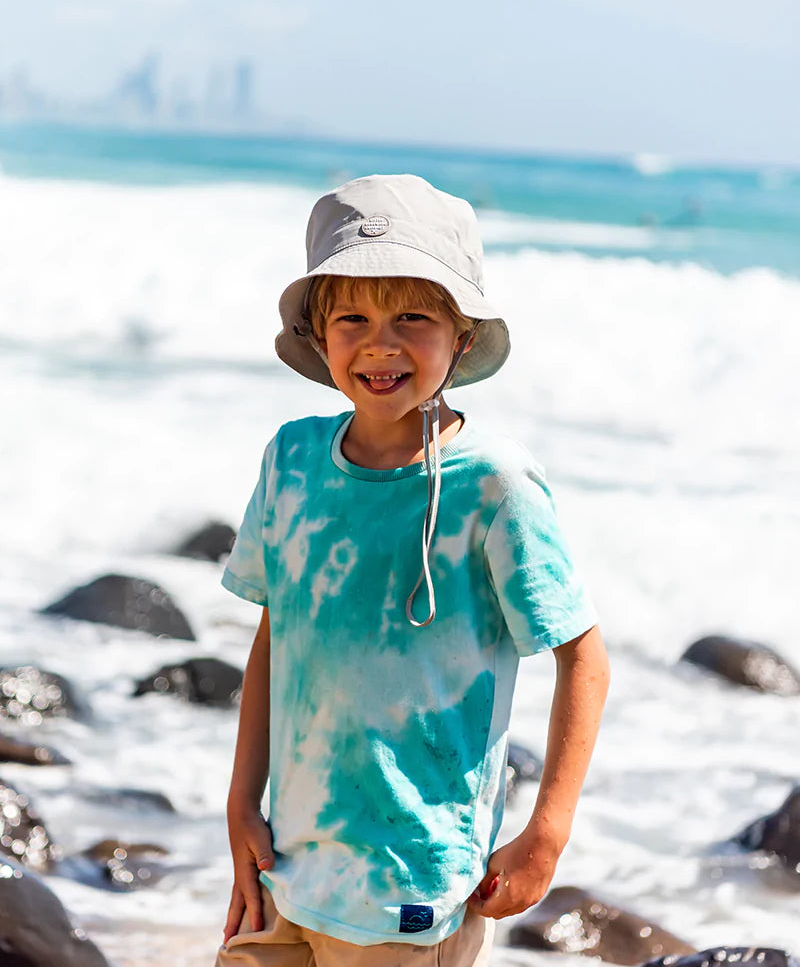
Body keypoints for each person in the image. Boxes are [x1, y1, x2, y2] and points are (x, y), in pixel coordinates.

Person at [216, 174, 610, 967]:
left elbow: (583, 658)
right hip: (287, 870)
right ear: (320, 334)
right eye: (353, 317)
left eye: (414, 318)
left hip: (412, 896)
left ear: (461, 338)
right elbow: (275, 633)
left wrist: (547, 834)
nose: (381, 344)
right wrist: (239, 808)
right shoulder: (292, 459)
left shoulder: (493, 483)